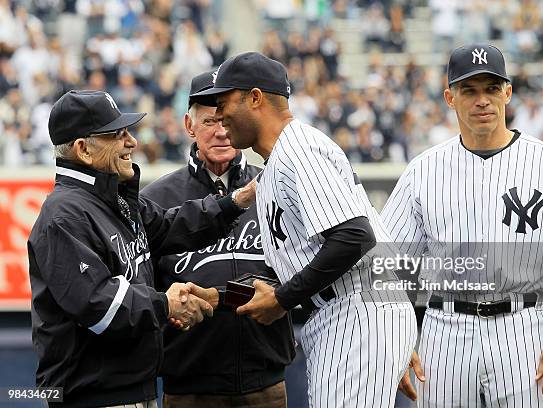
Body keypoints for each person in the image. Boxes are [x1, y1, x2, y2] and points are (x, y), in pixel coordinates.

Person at [381, 44, 543, 407]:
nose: (482, 100)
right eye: (469, 90)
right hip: (445, 329)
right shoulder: (423, 171)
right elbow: (393, 266)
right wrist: (399, 339)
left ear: (507, 91)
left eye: (490, 88)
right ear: (450, 98)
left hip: (522, 327)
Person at [199, 52, 419, 408]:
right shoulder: (274, 167)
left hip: (358, 312)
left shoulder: (298, 148)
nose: (219, 115)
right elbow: (285, 274)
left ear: (255, 98)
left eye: (224, 102)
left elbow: (355, 236)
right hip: (347, 314)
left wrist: (285, 299)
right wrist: (218, 298)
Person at [28, 89, 256, 407]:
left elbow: (170, 227)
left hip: (136, 389)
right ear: (83, 149)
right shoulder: (63, 215)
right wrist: (167, 304)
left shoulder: (114, 199)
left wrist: (235, 202)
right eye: (117, 134)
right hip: (94, 397)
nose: (131, 142)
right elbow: (100, 306)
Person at [141, 70, 295, 408]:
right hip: (189, 387)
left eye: (227, 119)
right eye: (209, 121)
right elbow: (146, 293)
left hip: (265, 382)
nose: (221, 132)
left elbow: (298, 276)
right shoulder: (156, 200)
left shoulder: (275, 185)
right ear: (189, 125)